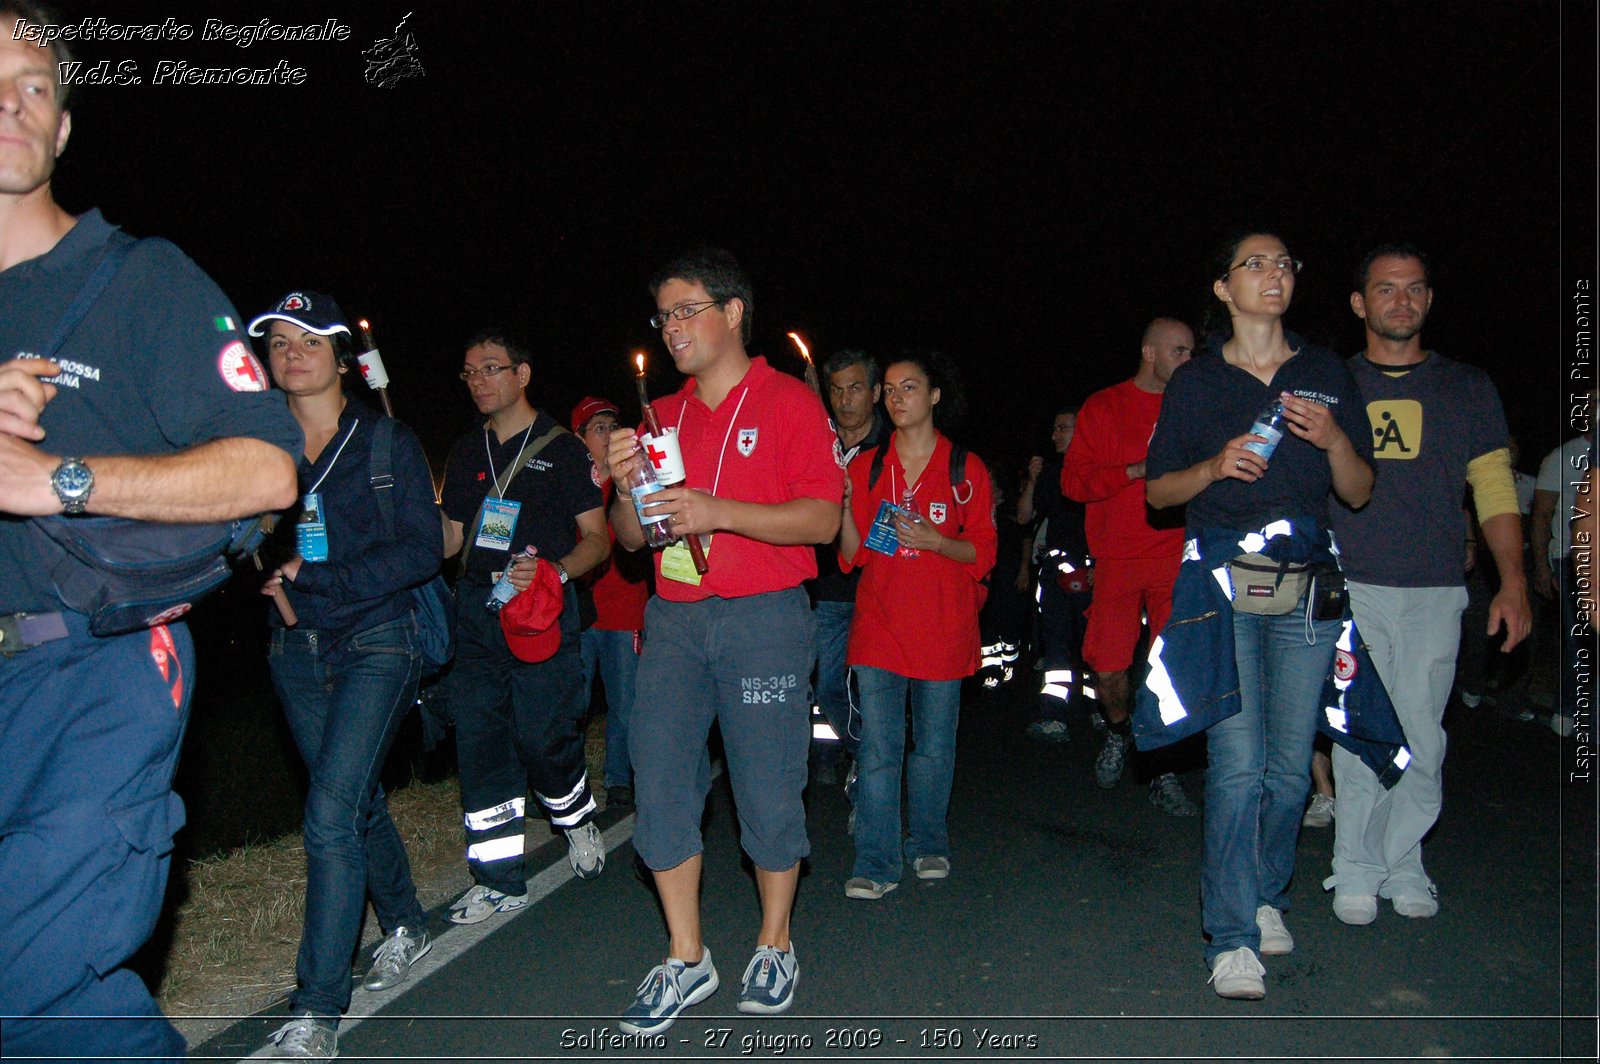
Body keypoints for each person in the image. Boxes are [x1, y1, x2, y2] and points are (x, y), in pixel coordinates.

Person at [0, 6, 301, 1058]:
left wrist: (56, 477)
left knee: (37, 986)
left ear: (65, 127)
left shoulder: (138, 280)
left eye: (35, 83)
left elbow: (266, 468)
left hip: (92, 671)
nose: (10, 100)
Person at [606, 249, 842, 1032]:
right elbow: (635, 540)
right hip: (674, 619)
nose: (673, 328)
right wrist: (624, 483)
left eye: (687, 311)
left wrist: (720, 511)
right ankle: (686, 956)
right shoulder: (660, 417)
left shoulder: (786, 402)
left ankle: (775, 942)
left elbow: (822, 521)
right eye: (663, 316)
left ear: (733, 312)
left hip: (765, 617)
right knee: (661, 773)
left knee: (768, 784)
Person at [1142, 232, 1374, 1000]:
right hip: (1225, 589)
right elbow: (1158, 494)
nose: (1274, 276)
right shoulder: (1198, 381)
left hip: (1307, 587)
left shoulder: (1324, 371)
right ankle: (1232, 935)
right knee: (1237, 766)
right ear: (1221, 288)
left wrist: (1336, 437)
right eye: (1255, 264)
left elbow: (1359, 490)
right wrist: (1215, 464)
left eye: (1284, 265)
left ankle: (1269, 893)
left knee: (1287, 767)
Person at [247, 291, 442, 1058]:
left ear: (340, 357)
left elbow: (422, 552)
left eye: (309, 341)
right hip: (295, 650)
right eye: (280, 342)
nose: (293, 353)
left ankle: (318, 1007)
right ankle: (405, 922)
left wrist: (314, 579)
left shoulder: (385, 441)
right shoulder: (259, 443)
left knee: (327, 815)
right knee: (353, 800)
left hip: (378, 642)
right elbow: (234, 540)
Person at [1324, 242, 1531, 927]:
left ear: (1430, 301)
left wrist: (1514, 582)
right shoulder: (1332, 382)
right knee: (1360, 734)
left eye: (1414, 289)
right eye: (1385, 289)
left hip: (1437, 587)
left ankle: (1403, 861)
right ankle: (1353, 867)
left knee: (1425, 734)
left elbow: (1494, 485)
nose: (1401, 300)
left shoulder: (1467, 386)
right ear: (1360, 303)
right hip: (1353, 585)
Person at [438, 330, 611, 922]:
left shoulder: (564, 450)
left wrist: (555, 573)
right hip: (478, 615)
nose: (479, 381)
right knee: (481, 742)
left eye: (490, 368)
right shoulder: (465, 453)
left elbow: (598, 539)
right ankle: (496, 877)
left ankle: (575, 815)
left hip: (539, 612)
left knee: (543, 736)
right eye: (469, 372)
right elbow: (452, 539)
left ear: (523, 374)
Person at [837, 353, 997, 898]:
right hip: (879, 629)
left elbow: (984, 550)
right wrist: (841, 506)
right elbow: (854, 555)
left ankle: (929, 841)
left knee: (932, 747)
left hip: (944, 631)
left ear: (933, 396)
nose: (897, 397)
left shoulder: (964, 468)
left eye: (910, 387)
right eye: (889, 389)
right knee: (879, 749)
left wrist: (935, 542)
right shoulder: (868, 467)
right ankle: (877, 862)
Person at [1063, 318, 1197, 815]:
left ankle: (1163, 768)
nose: (1188, 361)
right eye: (1179, 352)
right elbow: (1074, 484)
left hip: (1174, 555)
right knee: (1110, 670)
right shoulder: (1103, 406)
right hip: (1117, 559)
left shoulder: (1192, 404)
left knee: (1170, 671)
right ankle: (1121, 731)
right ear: (1149, 353)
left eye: (1191, 352)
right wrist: (1135, 470)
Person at [808, 349, 888, 789]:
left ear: (875, 393)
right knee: (829, 688)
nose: (845, 399)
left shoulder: (892, 448)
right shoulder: (816, 440)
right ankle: (864, 753)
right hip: (825, 590)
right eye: (836, 389)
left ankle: (872, 778)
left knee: (876, 691)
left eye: (855, 388)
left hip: (876, 586)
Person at [571, 394, 650, 808]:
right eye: (598, 428)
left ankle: (619, 778)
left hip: (625, 611)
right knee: (574, 703)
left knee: (626, 703)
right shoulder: (570, 484)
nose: (607, 435)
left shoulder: (633, 481)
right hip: (580, 612)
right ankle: (571, 784)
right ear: (579, 437)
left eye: (611, 427)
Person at [1017, 407, 1092, 741]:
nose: (1055, 435)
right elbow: (1023, 518)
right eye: (1054, 428)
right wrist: (1032, 481)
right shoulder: (1050, 472)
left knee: (1095, 645)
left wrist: (1101, 565)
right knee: (1056, 646)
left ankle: (1103, 712)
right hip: (1055, 574)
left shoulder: (1099, 468)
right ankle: (1054, 717)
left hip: (1093, 571)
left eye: (1063, 428)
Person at [1532, 399, 1595, 737]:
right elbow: (1541, 515)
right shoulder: (1561, 457)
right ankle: (1567, 708)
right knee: (1578, 637)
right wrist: (1542, 565)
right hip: (1572, 557)